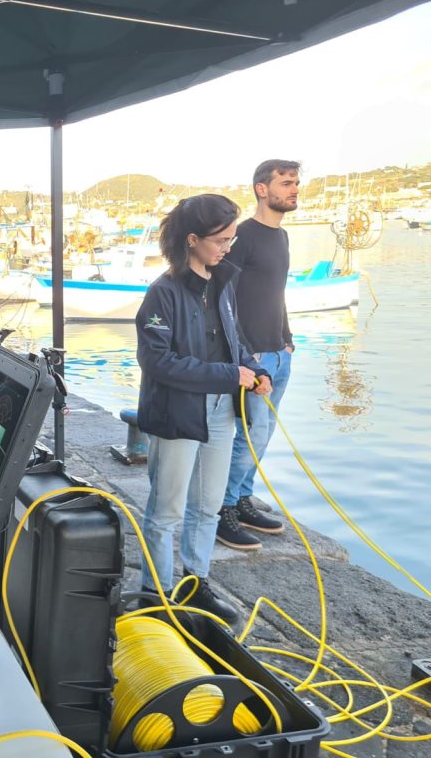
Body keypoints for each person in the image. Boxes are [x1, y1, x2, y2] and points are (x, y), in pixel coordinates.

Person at [135, 194, 272, 624]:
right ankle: (154, 593)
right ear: (192, 239)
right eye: (221, 240)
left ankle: (196, 584)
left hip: (219, 412)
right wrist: (228, 376)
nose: (228, 247)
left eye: (231, 238)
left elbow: (233, 342)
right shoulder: (162, 293)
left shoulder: (222, 283)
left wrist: (251, 368)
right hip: (177, 414)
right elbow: (157, 361)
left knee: (208, 506)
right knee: (166, 512)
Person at [216, 160, 300, 551]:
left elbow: (276, 292)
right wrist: (244, 355)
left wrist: (286, 337)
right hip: (253, 360)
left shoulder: (281, 238)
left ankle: (243, 498)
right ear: (262, 189)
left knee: (261, 438)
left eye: (296, 182)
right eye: (286, 183)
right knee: (253, 434)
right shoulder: (244, 236)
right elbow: (224, 296)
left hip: (279, 354)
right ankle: (224, 510)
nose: (295, 189)